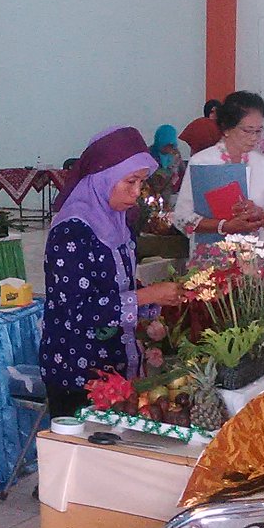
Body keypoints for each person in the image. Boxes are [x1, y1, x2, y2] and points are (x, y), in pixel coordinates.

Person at [39, 127, 185, 417]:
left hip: (116, 365)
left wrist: (153, 309)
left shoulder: (118, 221)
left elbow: (117, 283)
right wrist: (146, 296)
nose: (136, 192)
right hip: (78, 370)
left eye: (141, 182)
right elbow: (76, 310)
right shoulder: (72, 231)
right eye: (130, 182)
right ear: (102, 179)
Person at [173, 91, 264, 247]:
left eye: (259, 131)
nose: (254, 138)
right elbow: (182, 218)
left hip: (253, 255)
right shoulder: (202, 162)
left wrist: (262, 215)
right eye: (247, 130)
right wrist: (224, 226)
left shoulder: (262, 164)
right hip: (211, 255)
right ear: (226, 128)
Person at [149, 124, 186, 193]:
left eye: (171, 145)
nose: (168, 148)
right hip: (152, 195)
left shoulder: (176, 154)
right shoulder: (149, 155)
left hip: (172, 194)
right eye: (165, 144)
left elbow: (183, 173)